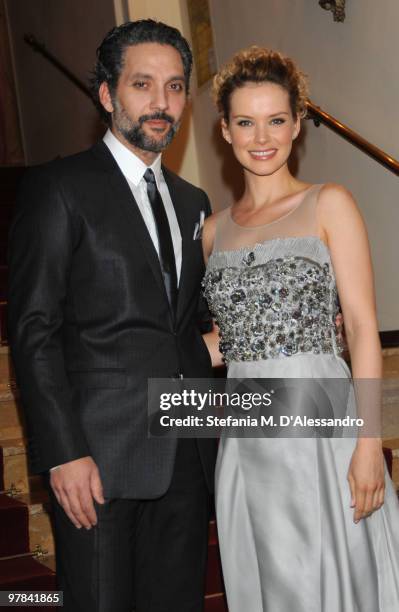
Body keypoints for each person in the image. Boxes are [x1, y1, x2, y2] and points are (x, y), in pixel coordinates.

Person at [8, 20, 217, 612]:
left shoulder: (191, 202)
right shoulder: (59, 188)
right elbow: (33, 330)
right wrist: (62, 452)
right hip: (97, 457)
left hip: (188, 451)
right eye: (142, 85)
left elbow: (185, 330)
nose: (161, 103)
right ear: (107, 95)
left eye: (175, 87)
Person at [201, 46, 399, 611]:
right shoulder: (212, 231)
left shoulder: (328, 203)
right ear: (225, 130)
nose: (261, 136)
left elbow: (362, 329)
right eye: (245, 121)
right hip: (246, 436)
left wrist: (367, 445)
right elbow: (231, 341)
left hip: (322, 431)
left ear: (297, 124)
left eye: (276, 120)